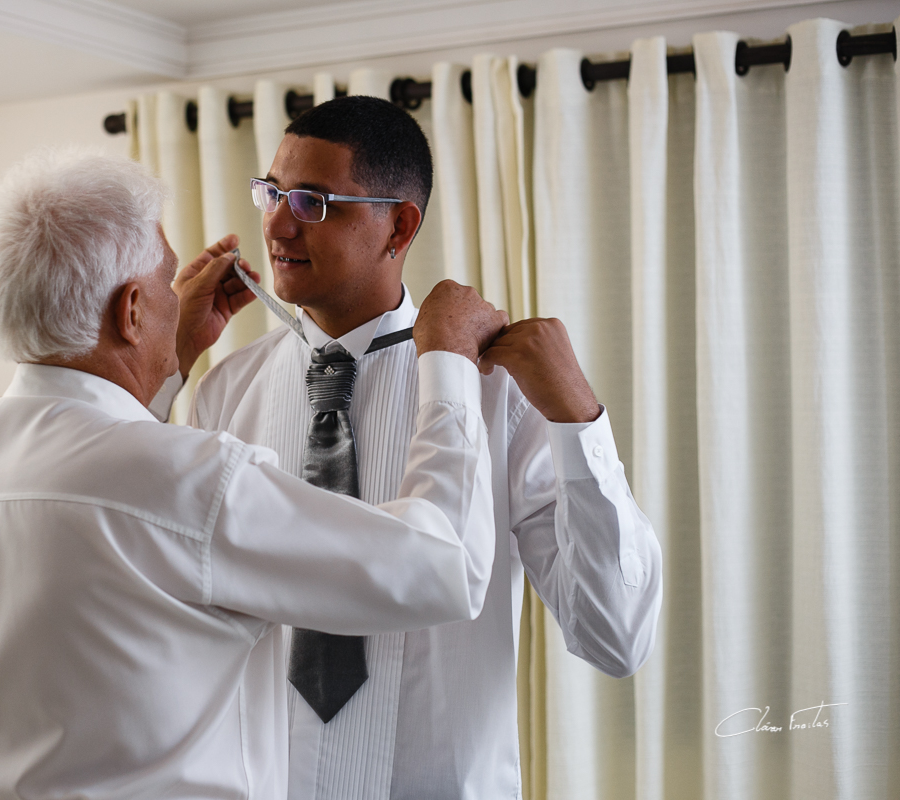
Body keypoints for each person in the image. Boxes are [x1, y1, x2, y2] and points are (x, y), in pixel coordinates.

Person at [0, 148, 511, 800]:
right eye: (167, 281)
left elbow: (100, 498)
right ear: (131, 311)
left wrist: (163, 357)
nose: (179, 294)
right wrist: (447, 365)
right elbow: (440, 566)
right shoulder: (192, 479)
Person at [163, 96, 664, 799]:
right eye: (271, 193)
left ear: (398, 225)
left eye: (311, 202)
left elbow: (617, 636)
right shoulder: (225, 392)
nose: (275, 223)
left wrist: (579, 420)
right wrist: (165, 359)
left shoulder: (498, 393)